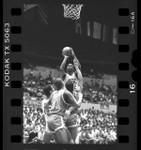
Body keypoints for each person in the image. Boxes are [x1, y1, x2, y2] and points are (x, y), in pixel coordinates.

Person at [45, 78, 83, 143]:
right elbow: (78, 105)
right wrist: (81, 97)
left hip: (51, 119)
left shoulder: (54, 93)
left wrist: (48, 112)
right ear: (62, 84)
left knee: (70, 141)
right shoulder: (66, 93)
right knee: (65, 142)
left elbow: (46, 105)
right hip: (58, 119)